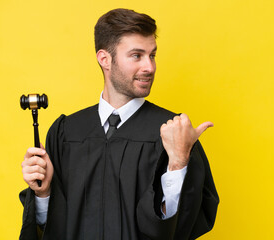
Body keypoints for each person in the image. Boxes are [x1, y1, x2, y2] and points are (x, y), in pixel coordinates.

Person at [19, 8, 219, 240]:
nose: (150, 67)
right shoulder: (67, 132)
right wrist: (43, 193)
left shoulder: (172, 133)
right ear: (105, 59)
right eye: (137, 55)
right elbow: (52, 228)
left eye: (152, 55)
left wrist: (178, 164)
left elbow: (182, 228)